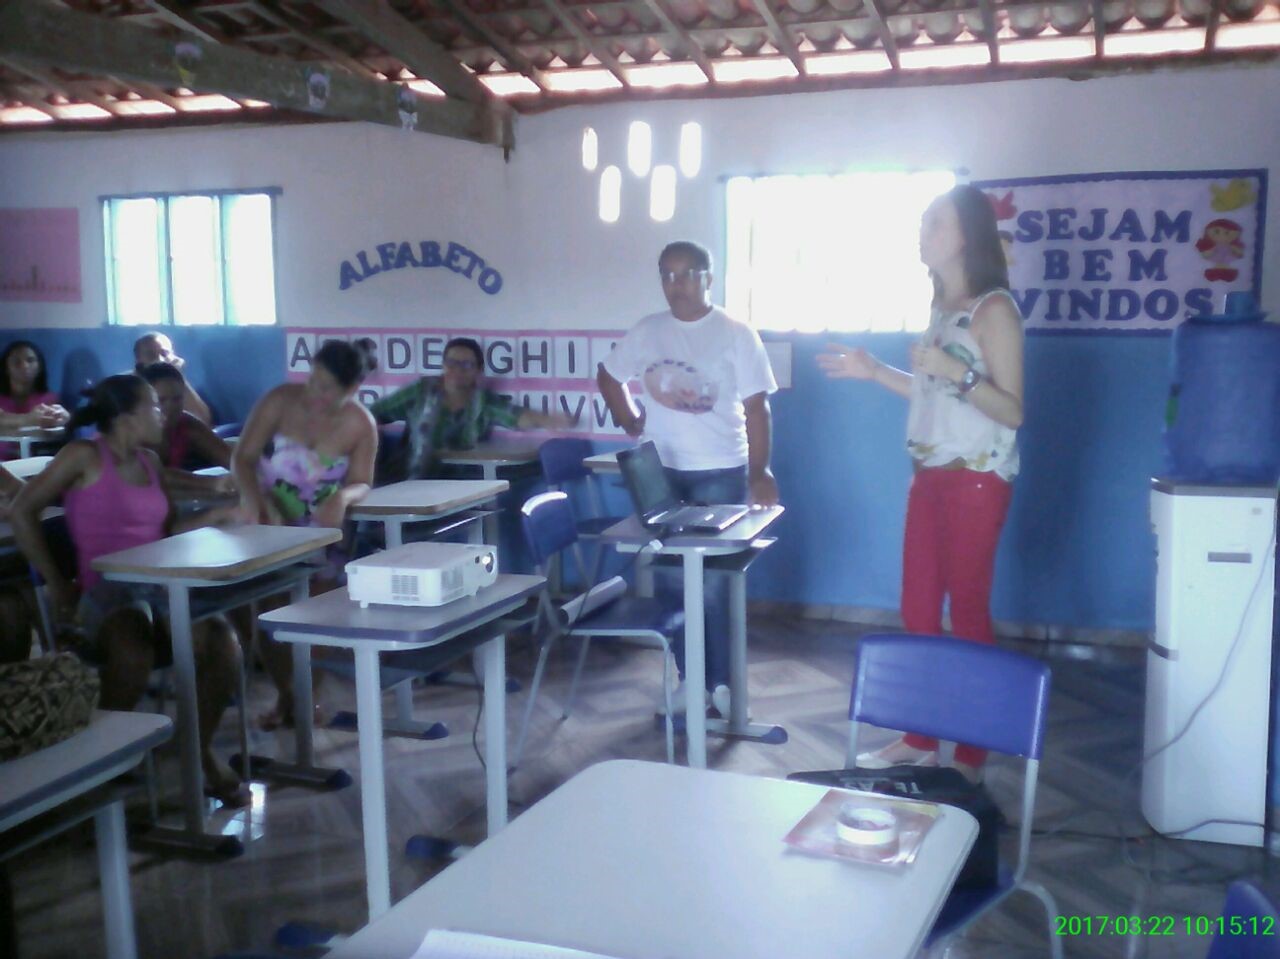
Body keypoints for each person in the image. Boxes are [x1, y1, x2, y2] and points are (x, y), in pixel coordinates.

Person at [817, 184, 1025, 783]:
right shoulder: (942, 309)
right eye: (923, 222)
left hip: (977, 481)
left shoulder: (994, 311)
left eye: (935, 222)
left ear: (967, 234)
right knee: (917, 609)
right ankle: (920, 737)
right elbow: (931, 392)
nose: (923, 232)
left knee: (968, 611)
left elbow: (1013, 412)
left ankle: (972, 752)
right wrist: (873, 371)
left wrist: (957, 371)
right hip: (929, 479)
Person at [9, 375, 250, 804]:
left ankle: (197, 749)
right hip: (105, 593)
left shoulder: (150, 463)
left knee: (223, 644)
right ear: (126, 418)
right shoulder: (83, 456)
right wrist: (55, 582)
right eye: (154, 406)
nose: (164, 414)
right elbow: (23, 510)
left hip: (159, 587)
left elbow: (166, 532)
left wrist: (216, 518)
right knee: (133, 644)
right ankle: (97, 763)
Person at [597, 240, 779, 718]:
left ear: (708, 279)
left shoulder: (735, 334)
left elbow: (758, 409)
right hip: (660, 474)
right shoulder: (648, 330)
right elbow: (608, 376)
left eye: (685, 274)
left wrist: (760, 471)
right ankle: (690, 681)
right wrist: (627, 417)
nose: (674, 285)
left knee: (712, 586)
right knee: (669, 582)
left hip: (720, 471)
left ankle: (719, 684)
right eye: (666, 274)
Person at [232, 338, 378, 728]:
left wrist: (343, 497)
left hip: (322, 531)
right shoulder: (279, 400)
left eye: (326, 387)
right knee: (269, 613)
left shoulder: (360, 424)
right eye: (312, 380)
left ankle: (304, 698)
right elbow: (243, 458)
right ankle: (289, 696)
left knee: (314, 619)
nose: (314, 393)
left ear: (352, 389)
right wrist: (256, 500)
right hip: (268, 522)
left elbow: (362, 481)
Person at [369, 337, 576, 482]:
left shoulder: (482, 401)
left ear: (478, 369)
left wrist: (549, 420)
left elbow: (516, 415)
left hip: (460, 484)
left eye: (466, 365)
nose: (457, 370)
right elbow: (374, 413)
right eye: (451, 363)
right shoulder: (422, 391)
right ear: (443, 364)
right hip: (409, 478)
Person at [138, 362, 235, 501]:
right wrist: (212, 483)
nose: (170, 407)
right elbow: (150, 473)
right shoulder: (131, 433)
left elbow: (229, 458)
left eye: (177, 399)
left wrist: (255, 474)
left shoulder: (186, 424)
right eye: (161, 400)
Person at [0, 340, 69, 458]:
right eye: (17, 362)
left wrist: (9, 425)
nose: (25, 366)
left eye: (30, 360)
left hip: (36, 463)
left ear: (39, 366)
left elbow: (51, 432)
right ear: (6, 368)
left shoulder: (50, 399)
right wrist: (29, 419)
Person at [133, 332, 213, 425]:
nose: (160, 359)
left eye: (165, 353)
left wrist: (178, 375)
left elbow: (204, 421)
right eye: (151, 354)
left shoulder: (177, 386)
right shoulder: (127, 387)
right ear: (138, 361)